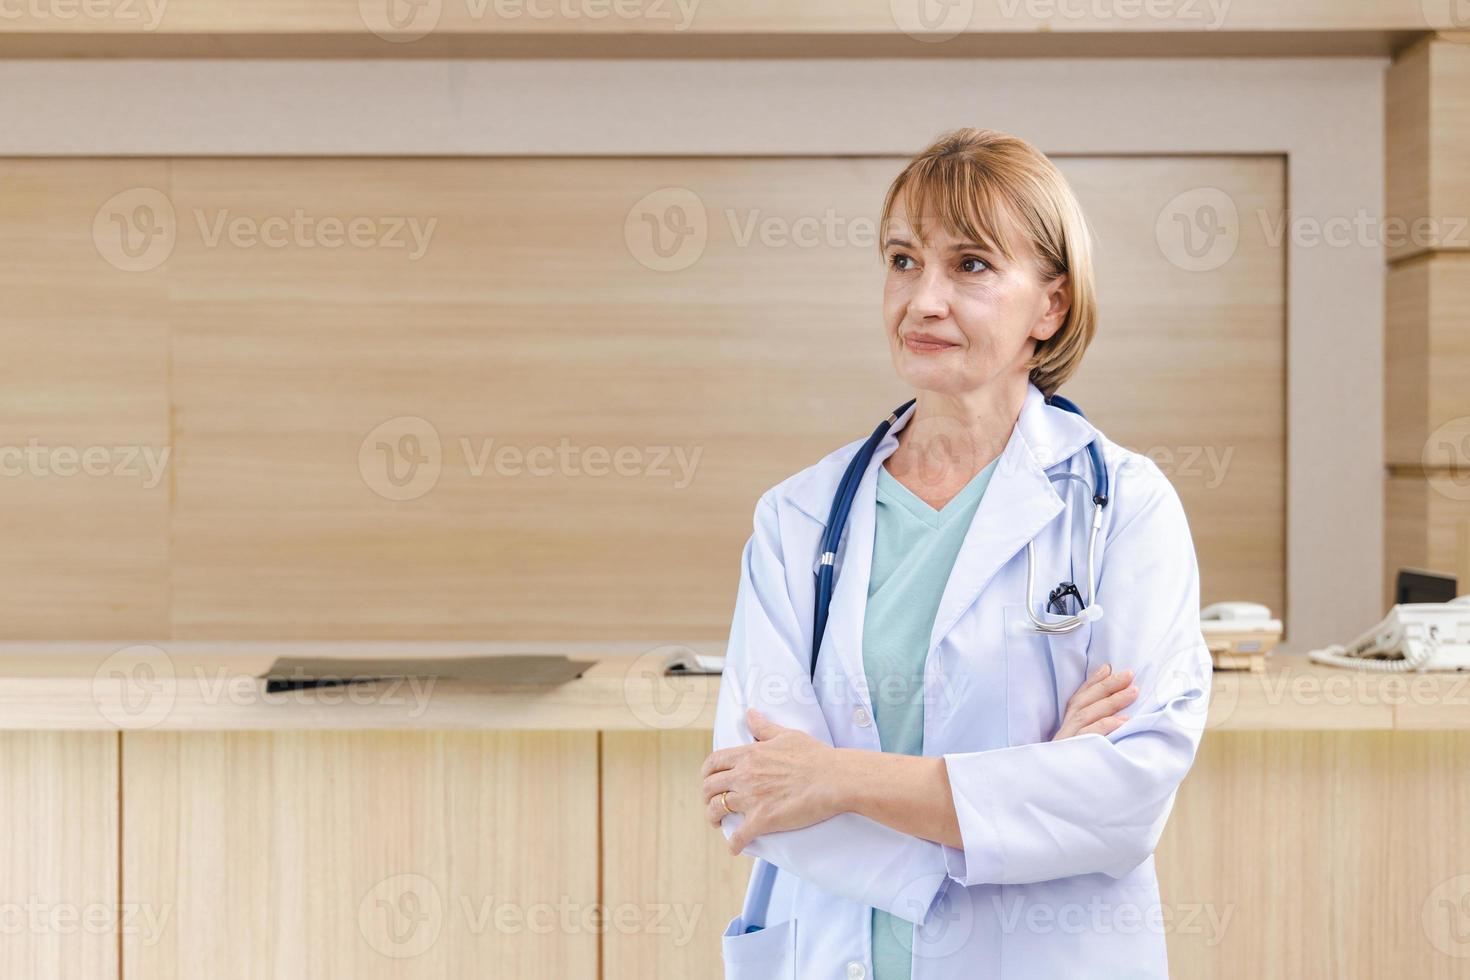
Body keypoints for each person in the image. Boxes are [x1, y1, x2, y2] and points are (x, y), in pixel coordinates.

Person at [700, 128, 1212, 979]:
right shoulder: (797, 518)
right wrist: (1030, 787)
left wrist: (838, 778)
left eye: (970, 266)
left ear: (1050, 305)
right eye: (903, 261)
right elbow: (752, 795)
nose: (924, 299)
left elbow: (1125, 800)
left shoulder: (1126, 506)